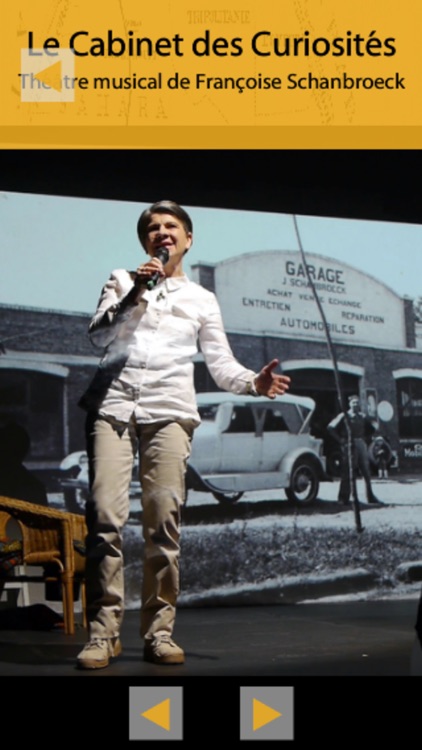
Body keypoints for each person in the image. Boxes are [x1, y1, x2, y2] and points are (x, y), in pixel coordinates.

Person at [76, 200, 291, 669]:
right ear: (145, 242)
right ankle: (101, 633)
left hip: (169, 411)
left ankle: (158, 632)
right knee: (106, 521)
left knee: (163, 524)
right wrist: (136, 292)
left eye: (171, 226)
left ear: (187, 239)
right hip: (112, 406)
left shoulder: (202, 300)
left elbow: (219, 363)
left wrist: (253, 382)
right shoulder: (121, 279)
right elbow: (96, 337)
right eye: (153, 228)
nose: (162, 233)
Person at [327, 395, 382, 505]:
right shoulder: (344, 415)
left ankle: (370, 497)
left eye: (357, 403)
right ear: (349, 404)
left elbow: (373, 427)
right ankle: (343, 498)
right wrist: (340, 439)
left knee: (366, 472)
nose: (356, 405)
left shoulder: (363, 416)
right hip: (349, 444)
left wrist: (367, 437)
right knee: (348, 471)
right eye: (353, 403)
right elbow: (330, 427)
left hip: (361, 443)